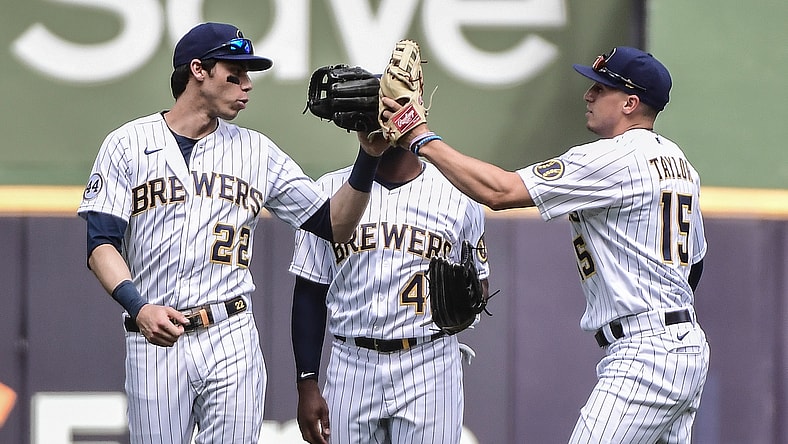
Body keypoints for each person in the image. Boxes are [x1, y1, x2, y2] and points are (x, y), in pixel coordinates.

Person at [77, 22, 386, 443]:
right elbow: (100, 246)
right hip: (155, 340)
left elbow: (335, 225)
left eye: (248, 75)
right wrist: (138, 305)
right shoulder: (127, 144)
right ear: (199, 70)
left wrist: (367, 158)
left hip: (230, 332)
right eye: (235, 73)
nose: (247, 85)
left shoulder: (256, 150)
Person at [382, 46, 710, 443]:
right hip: (684, 344)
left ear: (630, 102)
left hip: (647, 355)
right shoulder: (680, 163)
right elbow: (694, 265)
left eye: (602, 88)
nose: (589, 95)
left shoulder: (613, 159)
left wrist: (419, 136)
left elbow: (500, 191)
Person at [289, 136, 490, 444]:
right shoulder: (328, 190)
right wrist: (307, 382)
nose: (387, 119)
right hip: (350, 360)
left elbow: (480, 285)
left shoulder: (459, 194)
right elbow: (309, 291)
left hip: (429, 359)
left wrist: (465, 301)